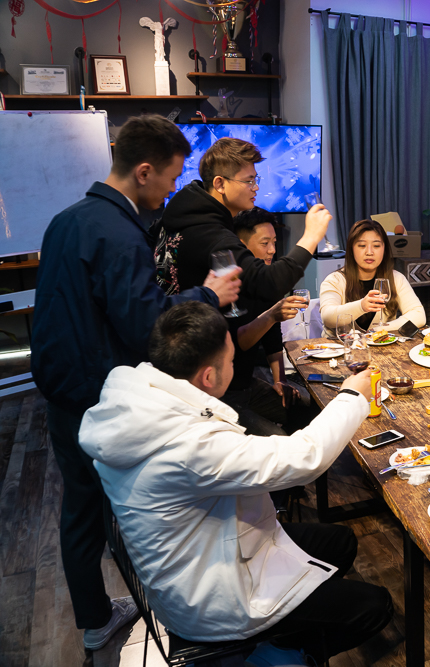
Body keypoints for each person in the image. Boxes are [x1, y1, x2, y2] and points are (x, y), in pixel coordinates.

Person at [77, 302, 394, 666]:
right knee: (375, 606)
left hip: (200, 553)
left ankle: (288, 637)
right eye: (231, 361)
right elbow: (305, 458)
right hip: (209, 598)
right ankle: (282, 655)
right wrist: (353, 396)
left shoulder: (143, 395)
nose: (235, 365)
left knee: (340, 542)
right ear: (208, 377)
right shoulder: (187, 445)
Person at [30, 114, 241, 651]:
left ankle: (95, 618)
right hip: (97, 395)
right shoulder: (120, 234)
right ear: (143, 171)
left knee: (80, 510)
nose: (172, 189)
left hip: (60, 390)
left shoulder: (66, 220)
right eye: (170, 177)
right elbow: (146, 325)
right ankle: (174, 619)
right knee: (135, 511)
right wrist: (209, 295)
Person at [156, 137, 331, 305]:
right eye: (249, 181)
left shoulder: (182, 214)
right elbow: (269, 283)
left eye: (255, 180)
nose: (256, 187)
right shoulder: (209, 233)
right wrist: (311, 236)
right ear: (220, 184)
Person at [225, 207, 312, 437]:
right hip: (224, 394)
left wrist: (280, 380)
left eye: (274, 242)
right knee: (280, 441)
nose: (272, 250)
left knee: (307, 408)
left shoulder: (267, 280)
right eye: (265, 243)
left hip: (248, 385)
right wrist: (271, 315)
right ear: (241, 246)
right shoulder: (228, 287)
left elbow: (273, 339)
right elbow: (239, 342)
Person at [319, 219, 425, 334]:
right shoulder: (334, 280)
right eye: (362, 245)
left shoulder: (396, 278)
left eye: (376, 245)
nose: (369, 252)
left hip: (380, 345)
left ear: (384, 249)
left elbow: (418, 315)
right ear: (351, 249)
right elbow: (327, 317)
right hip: (339, 345)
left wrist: (379, 330)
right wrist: (361, 306)